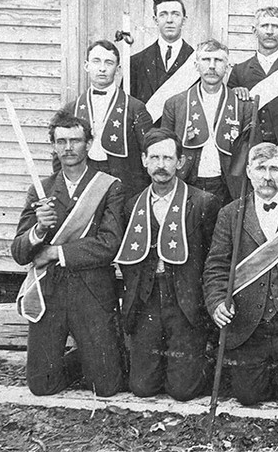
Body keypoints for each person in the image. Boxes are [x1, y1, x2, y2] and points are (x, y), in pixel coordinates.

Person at [12, 111, 124, 397]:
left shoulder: (109, 186)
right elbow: (19, 252)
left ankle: (93, 360)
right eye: (61, 141)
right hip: (51, 292)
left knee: (106, 387)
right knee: (41, 386)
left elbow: (108, 244)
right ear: (53, 146)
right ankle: (80, 362)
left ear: (88, 144)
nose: (68, 147)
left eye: (75, 140)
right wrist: (38, 229)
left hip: (91, 291)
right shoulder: (42, 190)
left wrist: (54, 251)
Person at [203, 143, 278, 407]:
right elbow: (215, 267)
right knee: (248, 397)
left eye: (274, 169)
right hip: (249, 325)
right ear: (248, 171)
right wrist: (216, 303)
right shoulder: (230, 213)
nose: (267, 176)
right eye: (260, 168)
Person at [114, 128, 221, 401]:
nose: (161, 165)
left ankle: (197, 363)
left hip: (184, 300)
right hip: (147, 300)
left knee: (183, 391)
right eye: (155, 158)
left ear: (180, 162)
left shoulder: (202, 203)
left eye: (168, 158)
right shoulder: (132, 205)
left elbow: (213, 259)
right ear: (144, 160)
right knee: (142, 388)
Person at [161, 39, 253, 207]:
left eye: (218, 60)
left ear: (227, 67)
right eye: (206, 60)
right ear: (196, 65)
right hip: (188, 182)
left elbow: (249, 154)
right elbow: (166, 150)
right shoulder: (175, 104)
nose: (212, 66)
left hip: (227, 187)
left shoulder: (243, 105)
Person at [62, 39, 152, 202]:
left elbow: (148, 153)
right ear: (86, 65)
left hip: (124, 187)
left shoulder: (135, 108)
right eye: (96, 61)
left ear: (117, 69)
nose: (102, 68)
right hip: (83, 182)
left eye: (108, 63)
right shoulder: (71, 110)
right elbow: (59, 157)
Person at [227, 6, 278, 150]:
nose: (270, 31)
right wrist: (234, 92)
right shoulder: (239, 70)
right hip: (249, 145)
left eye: (275, 26)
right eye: (264, 26)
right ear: (254, 31)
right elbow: (228, 107)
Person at [129, 0, 195, 114]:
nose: (169, 20)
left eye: (175, 14)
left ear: (184, 20)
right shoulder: (136, 62)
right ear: (155, 20)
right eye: (163, 14)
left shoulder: (196, 61)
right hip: (148, 131)